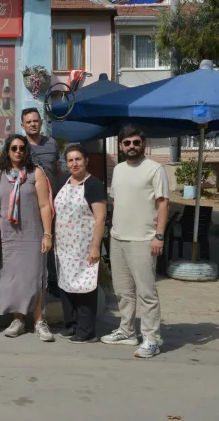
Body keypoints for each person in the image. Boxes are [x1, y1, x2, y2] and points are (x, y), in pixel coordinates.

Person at [101, 126, 168, 359]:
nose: (132, 146)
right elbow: (117, 202)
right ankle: (127, 331)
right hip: (118, 238)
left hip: (143, 240)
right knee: (122, 291)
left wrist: (159, 236)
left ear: (143, 144)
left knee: (147, 293)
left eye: (136, 142)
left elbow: (163, 204)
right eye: (127, 143)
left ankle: (151, 339)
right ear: (121, 146)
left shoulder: (155, 169)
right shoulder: (118, 169)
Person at [0, 134, 54, 342]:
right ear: (7, 151)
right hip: (8, 236)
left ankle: (39, 321)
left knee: (35, 277)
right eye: (14, 148)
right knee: (13, 278)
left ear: (27, 151)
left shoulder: (36, 172)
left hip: (32, 233)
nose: (18, 151)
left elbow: (44, 205)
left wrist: (47, 234)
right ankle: (17, 320)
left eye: (22, 148)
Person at [55, 144, 106, 344]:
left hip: (85, 247)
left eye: (78, 159)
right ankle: (72, 325)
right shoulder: (63, 182)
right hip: (64, 247)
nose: (74, 164)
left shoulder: (94, 185)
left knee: (85, 288)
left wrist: (95, 247)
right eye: (70, 160)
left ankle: (87, 331)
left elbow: (100, 218)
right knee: (66, 286)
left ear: (86, 160)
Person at [21, 107, 61, 297]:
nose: (32, 124)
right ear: (23, 125)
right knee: (29, 242)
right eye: (28, 122)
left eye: (35, 121)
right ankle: (30, 282)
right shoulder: (19, 146)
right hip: (28, 203)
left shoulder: (52, 143)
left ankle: (52, 280)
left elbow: (57, 170)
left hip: (51, 202)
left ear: (41, 123)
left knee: (50, 238)